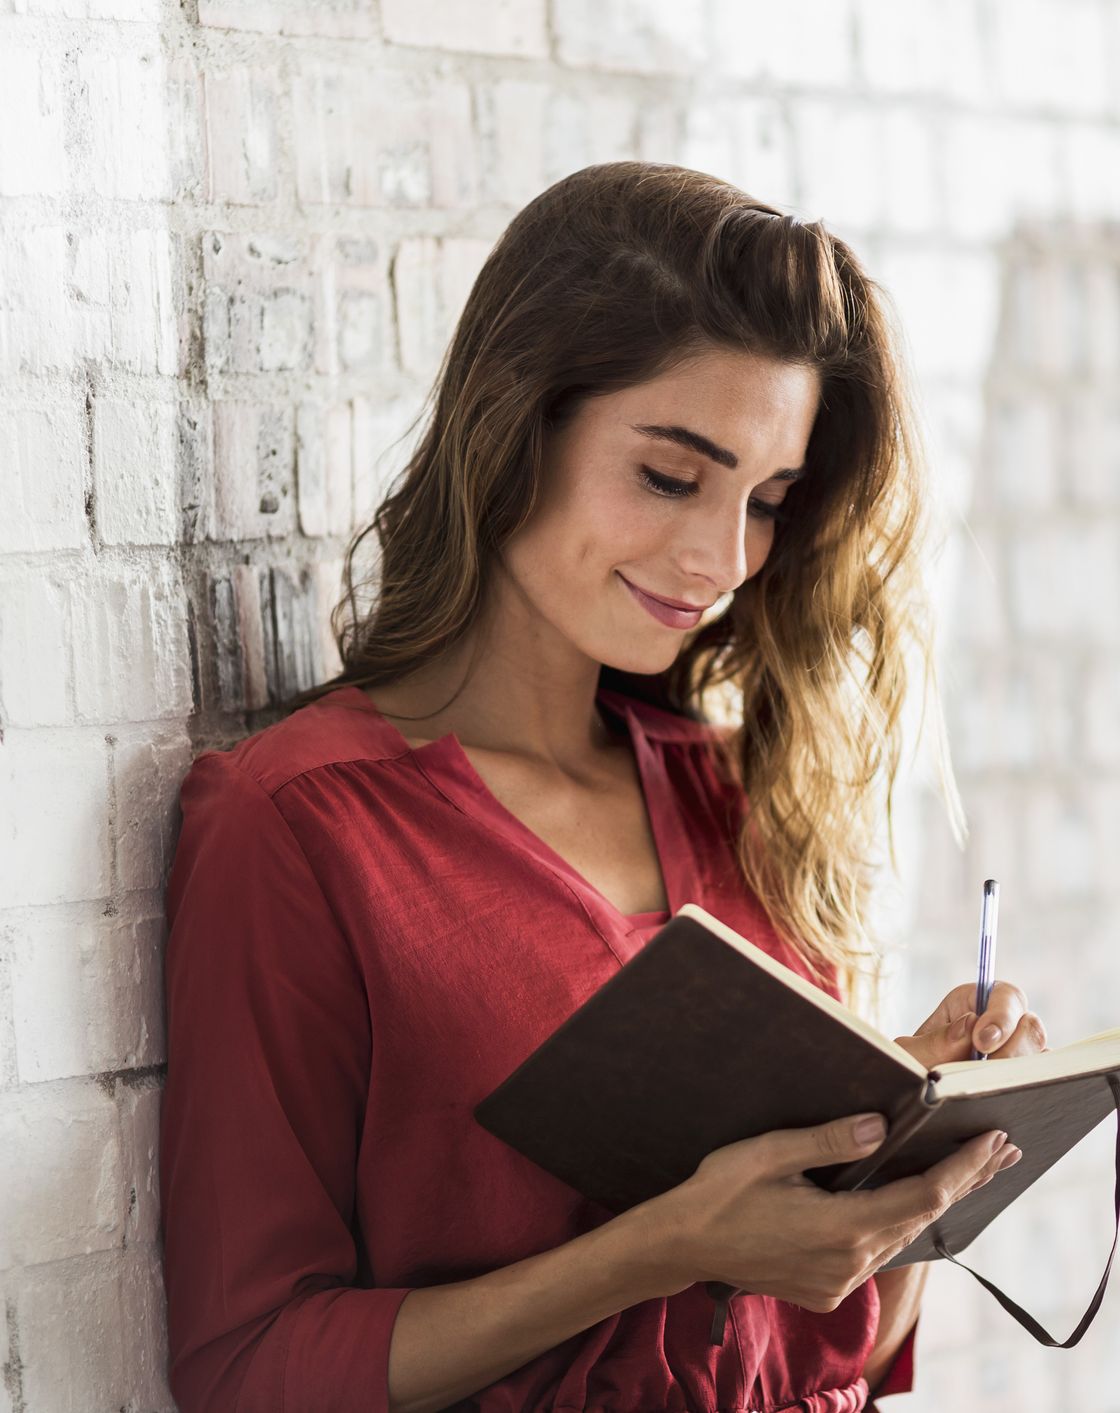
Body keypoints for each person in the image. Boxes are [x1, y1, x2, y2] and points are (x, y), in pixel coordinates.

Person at [159, 162, 1049, 1413]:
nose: (721, 556)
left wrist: (903, 1163)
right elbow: (247, 1372)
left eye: (769, 502)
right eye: (672, 476)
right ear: (520, 424)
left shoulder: (742, 799)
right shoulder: (302, 827)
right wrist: (666, 1247)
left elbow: (833, 1357)